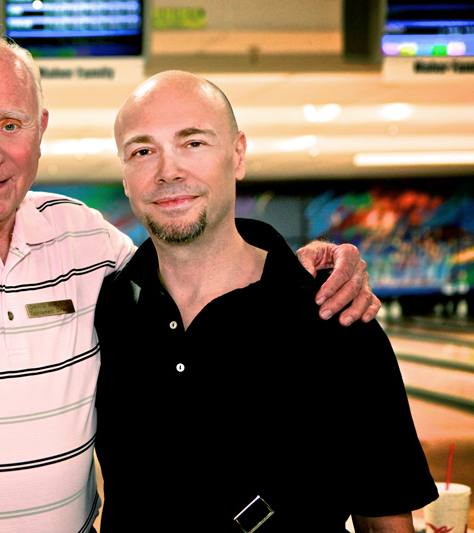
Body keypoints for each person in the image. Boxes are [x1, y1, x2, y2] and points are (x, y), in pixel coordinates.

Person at [0, 32, 379, 532]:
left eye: (12, 124)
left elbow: (194, 257)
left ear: (41, 129)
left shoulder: (83, 239)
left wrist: (308, 267)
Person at [94, 71, 438, 532]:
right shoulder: (107, 311)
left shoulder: (336, 316)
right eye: (142, 151)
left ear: (237, 155)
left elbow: (387, 522)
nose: (168, 171)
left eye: (193, 143)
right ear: (125, 175)